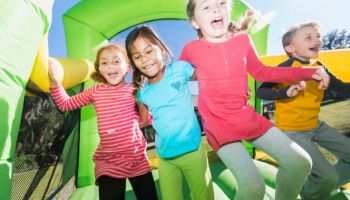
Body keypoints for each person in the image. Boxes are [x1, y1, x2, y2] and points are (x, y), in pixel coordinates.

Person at [179, 0, 331, 199]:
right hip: (219, 127)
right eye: (206, 6)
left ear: (228, 9)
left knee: (300, 163)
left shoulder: (242, 41)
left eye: (222, 2)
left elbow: (262, 72)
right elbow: (178, 80)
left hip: (246, 118)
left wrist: (309, 72)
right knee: (253, 187)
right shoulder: (191, 49)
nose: (216, 8)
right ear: (195, 22)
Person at [48, 44, 158, 200]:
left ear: (126, 66)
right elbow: (66, 104)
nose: (110, 66)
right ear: (99, 69)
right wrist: (55, 82)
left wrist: (148, 110)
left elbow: (145, 120)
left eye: (116, 61)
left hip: (136, 158)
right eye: (104, 63)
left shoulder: (134, 90)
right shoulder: (95, 91)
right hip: (109, 162)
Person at [256, 21, 350, 200]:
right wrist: (285, 92)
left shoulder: (320, 66)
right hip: (293, 132)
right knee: (327, 176)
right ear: (290, 48)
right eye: (308, 37)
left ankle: (314, 189)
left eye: (318, 36)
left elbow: (342, 88)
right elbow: (262, 91)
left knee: (333, 174)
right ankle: (310, 192)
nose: (317, 40)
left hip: (316, 126)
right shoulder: (284, 67)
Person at [125, 26, 214, 200]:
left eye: (149, 51)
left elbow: (210, 77)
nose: (144, 59)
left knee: (203, 196)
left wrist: (233, 89)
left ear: (161, 48)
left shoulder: (179, 69)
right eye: (137, 56)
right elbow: (141, 121)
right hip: (165, 159)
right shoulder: (142, 93)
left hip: (193, 152)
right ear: (133, 62)